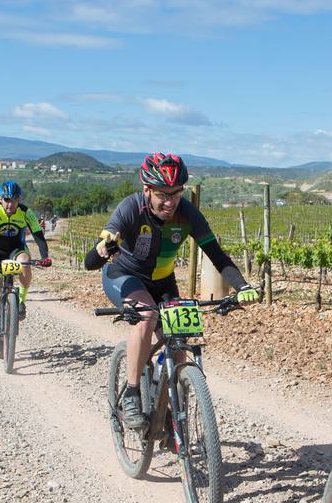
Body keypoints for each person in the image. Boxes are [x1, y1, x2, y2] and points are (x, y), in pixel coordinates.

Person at [83, 152, 260, 428]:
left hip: (163, 282)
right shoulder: (130, 208)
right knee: (146, 317)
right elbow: (90, 262)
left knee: (179, 344)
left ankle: (171, 411)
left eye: (176, 193)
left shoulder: (188, 214)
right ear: (147, 190)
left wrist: (242, 286)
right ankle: (131, 393)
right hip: (124, 276)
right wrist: (103, 247)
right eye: (163, 194)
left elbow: (217, 255)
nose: (170, 201)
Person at [0, 181, 51, 351]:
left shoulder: (25, 212)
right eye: (6, 200)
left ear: (19, 199)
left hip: (16, 250)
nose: (10, 204)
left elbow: (38, 235)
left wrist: (45, 256)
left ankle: (21, 302)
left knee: (25, 261)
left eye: (14, 200)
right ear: (0, 199)